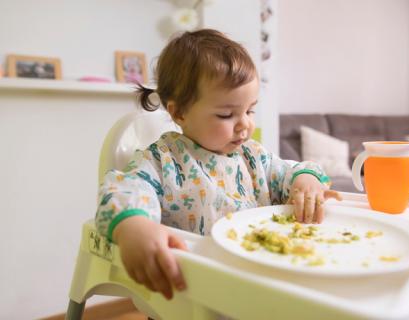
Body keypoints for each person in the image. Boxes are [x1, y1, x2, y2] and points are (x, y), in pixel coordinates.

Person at [95, 29, 341, 301]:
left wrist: (305, 181)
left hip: (259, 280)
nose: (245, 124)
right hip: (192, 292)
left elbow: (289, 172)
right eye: (227, 114)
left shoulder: (254, 157)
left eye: (250, 110)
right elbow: (124, 190)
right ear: (179, 113)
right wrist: (134, 227)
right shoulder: (162, 161)